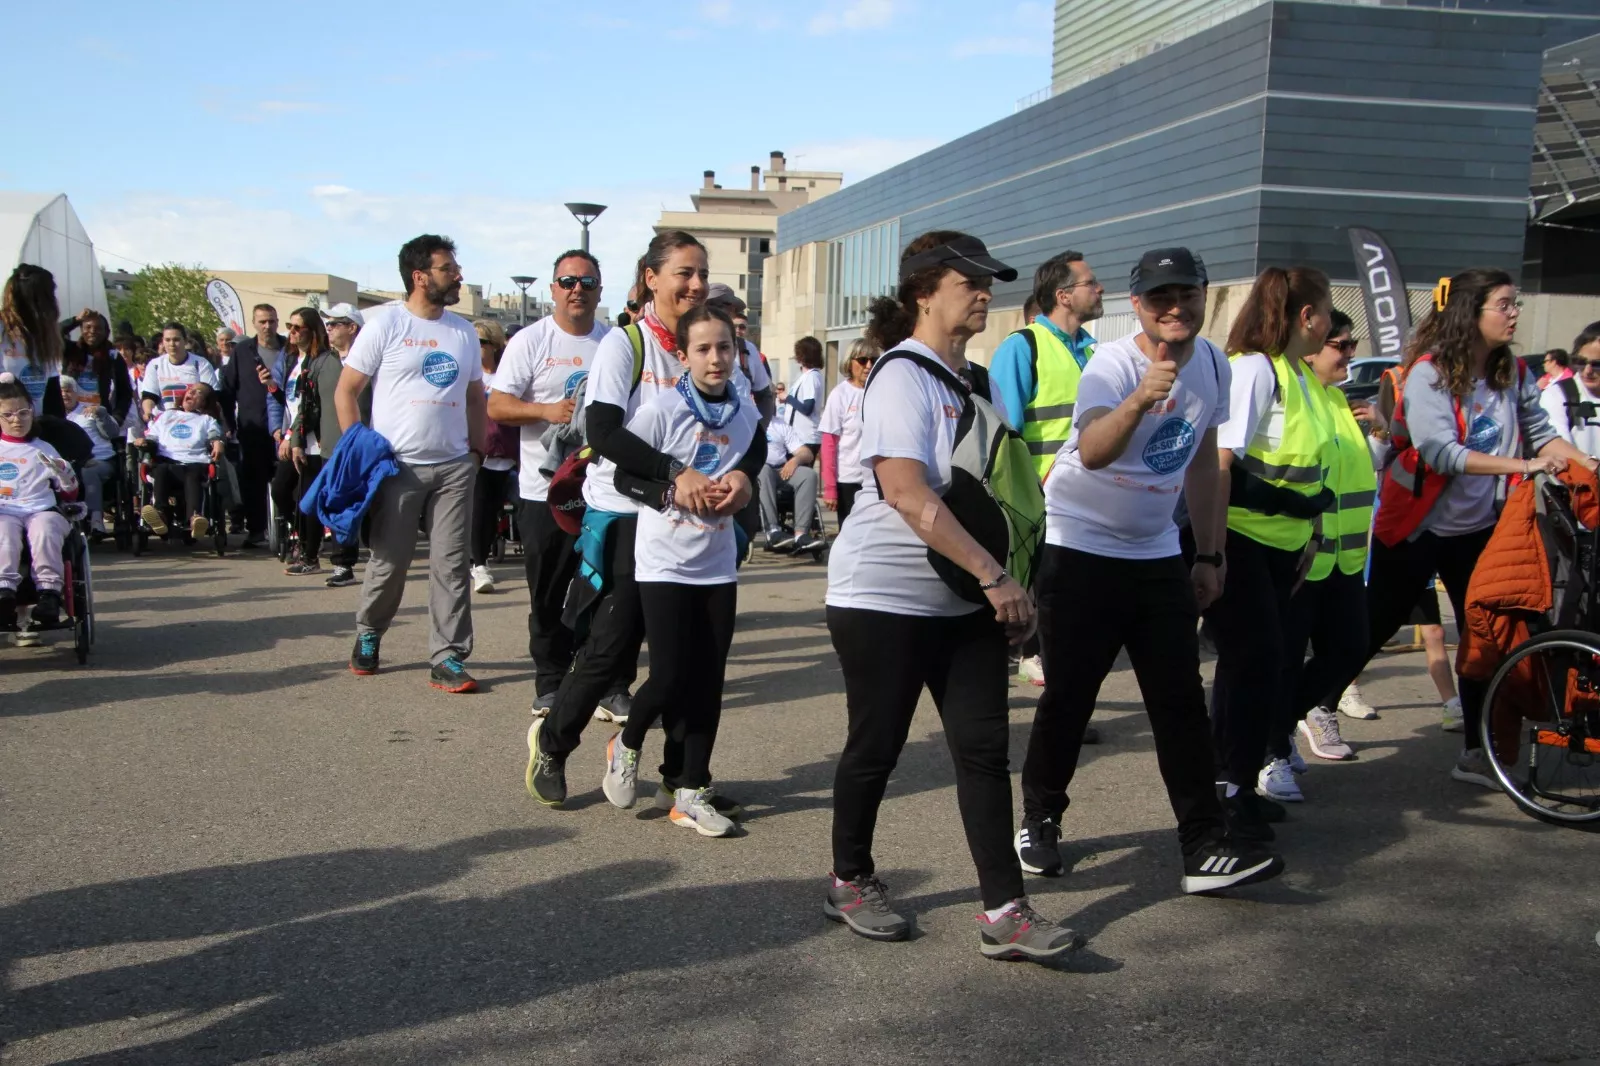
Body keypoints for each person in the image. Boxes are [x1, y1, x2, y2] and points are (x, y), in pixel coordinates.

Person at [820, 229, 1081, 961]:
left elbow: (998, 496)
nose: (983, 292)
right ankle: (849, 877)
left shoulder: (981, 381)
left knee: (982, 751)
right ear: (925, 292)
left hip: (961, 593)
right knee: (877, 746)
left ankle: (1006, 910)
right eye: (969, 281)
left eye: (987, 281)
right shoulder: (901, 375)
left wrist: (1013, 581)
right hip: (882, 595)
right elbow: (906, 494)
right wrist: (994, 578)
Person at [1016, 244, 1283, 892]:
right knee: (1071, 696)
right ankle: (1040, 818)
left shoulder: (1215, 364)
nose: (1174, 308)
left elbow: (1199, 461)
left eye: (1186, 294)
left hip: (1156, 550)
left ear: (1202, 297)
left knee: (1179, 702)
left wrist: (1209, 555)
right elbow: (1095, 449)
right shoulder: (1112, 365)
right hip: (1080, 546)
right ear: (1137, 306)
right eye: (1159, 299)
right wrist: (1138, 398)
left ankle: (1203, 846)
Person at [1330, 268, 1596, 788]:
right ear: (1470, 315)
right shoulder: (1429, 373)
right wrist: (1524, 468)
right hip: (1415, 527)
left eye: (1516, 303)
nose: (1514, 313)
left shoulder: (1513, 372)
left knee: (1485, 634)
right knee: (1374, 626)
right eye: (1504, 304)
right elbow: (1442, 453)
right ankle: (1314, 703)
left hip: (1480, 530)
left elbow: (1542, 436)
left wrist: (1585, 464)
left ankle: (1479, 752)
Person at [526, 231, 759, 808]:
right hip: (628, 510)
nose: (696, 284)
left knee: (694, 660)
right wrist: (672, 473)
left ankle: (684, 778)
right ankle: (553, 743)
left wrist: (744, 478)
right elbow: (601, 433)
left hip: (702, 522)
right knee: (613, 648)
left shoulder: (718, 342)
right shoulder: (625, 346)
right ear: (651, 278)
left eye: (702, 273)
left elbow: (753, 427)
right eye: (683, 273)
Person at [596, 305, 761, 836]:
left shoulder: (746, 413)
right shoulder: (661, 410)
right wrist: (672, 485)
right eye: (704, 349)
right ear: (683, 355)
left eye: (725, 348)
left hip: (716, 564)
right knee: (669, 676)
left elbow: (752, 460)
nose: (717, 359)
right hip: (664, 562)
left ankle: (691, 791)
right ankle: (627, 740)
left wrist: (744, 484)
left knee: (708, 680)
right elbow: (621, 477)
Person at [1210, 266, 1335, 839]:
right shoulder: (1255, 370)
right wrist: (1296, 510)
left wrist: (1312, 529)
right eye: (1327, 311)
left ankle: (1233, 786)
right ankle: (1228, 792)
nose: (1331, 323)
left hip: (1284, 547)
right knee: (1250, 667)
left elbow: (1307, 474)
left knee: (1259, 669)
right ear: (1305, 317)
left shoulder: (1298, 375)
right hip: (1241, 541)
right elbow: (1220, 470)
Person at [338, 234, 486, 693]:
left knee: (451, 566)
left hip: (456, 467)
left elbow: (475, 395)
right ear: (420, 276)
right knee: (390, 562)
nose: (458, 276)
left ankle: (447, 656)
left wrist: (476, 453)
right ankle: (369, 632)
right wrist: (358, 449)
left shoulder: (462, 331)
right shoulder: (386, 325)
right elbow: (346, 392)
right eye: (448, 269)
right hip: (397, 467)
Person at [489, 249, 608, 712]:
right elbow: (498, 406)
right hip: (545, 492)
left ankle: (604, 680)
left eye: (587, 282)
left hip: (601, 491)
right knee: (549, 590)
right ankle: (550, 680)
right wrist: (545, 411)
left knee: (605, 588)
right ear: (553, 289)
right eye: (567, 281)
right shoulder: (531, 341)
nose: (577, 289)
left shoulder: (614, 341)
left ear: (600, 289)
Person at [1259, 311, 1372, 796]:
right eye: (1339, 344)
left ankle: (1280, 727)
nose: (1348, 353)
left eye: (1352, 344)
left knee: (1349, 647)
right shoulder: (1296, 395)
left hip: (1343, 560)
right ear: (1310, 348)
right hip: (1302, 555)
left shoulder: (1337, 401)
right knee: (1281, 661)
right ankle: (1267, 754)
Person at [989, 250, 1103, 689]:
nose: (1100, 289)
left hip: (1089, 505)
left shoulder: (1097, 351)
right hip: (1037, 508)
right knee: (1038, 609)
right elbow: (1004, 436)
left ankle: (1063, 704)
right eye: (1090, 282)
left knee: (1073, 614)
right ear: (1063, 295)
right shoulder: (1023, 347)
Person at [0, 373, 77, 629]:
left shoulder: (44, 448)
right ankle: (4, 595)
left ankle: (49, 594)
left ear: (32, 413)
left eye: (23, 413)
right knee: (4, 532)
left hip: (39, 507)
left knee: (45, 529)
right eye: (8, 415)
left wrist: (65, 474)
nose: (17, 420)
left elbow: (68, 493)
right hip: (5, 509)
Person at [276, 307, 337, 575]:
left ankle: (310, 556)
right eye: (289, 326)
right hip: (294, 438)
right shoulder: (292, 362)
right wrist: (285, 434)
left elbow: (311, 407)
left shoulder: (322, 361)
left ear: (312, 331)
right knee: (280, 489)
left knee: (307, 499)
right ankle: (299, 536)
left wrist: (296, 437)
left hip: (313, 442)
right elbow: (291, 404)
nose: (291, 332)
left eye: (297, 327)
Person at [221, 304, 287, 548]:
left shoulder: (286, 348)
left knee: (285, 477)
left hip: (282, 424)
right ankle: (256, 529)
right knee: (253, 479)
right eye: (262, 322)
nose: (267, 326)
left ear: (277, 321)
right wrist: (228, 423)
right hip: (251, 426)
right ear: (254, 323)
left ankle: (288, 527)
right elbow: (228, 389)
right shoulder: (243, 351)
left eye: (271, 321)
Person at [317, 303, 368, 587]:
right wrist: (296, 438)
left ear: (352, 327)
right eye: (328, 324)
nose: (329, 329)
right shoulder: (322, 363)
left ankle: (380, 553)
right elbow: (308, 405)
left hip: (367, 446)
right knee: (339, 506)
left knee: (374, 505)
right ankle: (343, 564)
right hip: (332, 447)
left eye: (335, 323)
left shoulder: (374, 363)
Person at [137, 382, 224, 540]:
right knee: (161, 469)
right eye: (191, 390)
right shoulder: (167, 415)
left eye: (198, 393)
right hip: (167, 461)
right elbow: (152, 437)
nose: (191, 392)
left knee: (193, 475)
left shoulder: (206, 419)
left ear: (204, 402)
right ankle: (160, 515)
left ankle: (195, 518)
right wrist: (144, 442)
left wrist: (217, 442)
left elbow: (214, 434)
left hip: (195, 462)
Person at [470, 319, 517, 594]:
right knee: (481, 512)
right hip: (481, 456)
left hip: (510, 456)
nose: (475, 348)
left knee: (517, 512)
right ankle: (479, 564)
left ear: (494, 345)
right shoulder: (471, 376)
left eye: (480, 343)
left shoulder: (507, 376)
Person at [820, 337, 874, 523]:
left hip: (874, 480)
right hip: (848, 479)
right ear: (850, 363)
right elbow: (828, 444)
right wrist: (830, 488)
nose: (868, 365)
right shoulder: (840, 395)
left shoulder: (879, 392)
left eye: (873, 360)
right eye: (862, 360)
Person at [1, 265, 67, 418]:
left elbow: (51, 388)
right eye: (49, 294)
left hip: (35, 428)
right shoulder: (2, 328)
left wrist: (58, 428)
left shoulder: (45, 333)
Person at [62, 376, 119, 537]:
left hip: (101, 460)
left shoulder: (91, 410)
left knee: (89, 470)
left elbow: (113, 433)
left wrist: (102, 414)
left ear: (76, 393)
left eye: (68, 391)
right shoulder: (54, 417)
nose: (64, 395)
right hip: (70, 463)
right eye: (60, 392)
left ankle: (96, 520)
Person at [1539, 321, 1600, 456]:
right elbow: (1557, 448)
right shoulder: (1558, 394)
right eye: (1581, 362)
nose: (1587, 371)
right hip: (1579, 476)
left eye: (1597, 364)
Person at [756, 416, 818, 550]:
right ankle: (773, 531)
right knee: (764, 470)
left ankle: (800, 535)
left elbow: (806, 453)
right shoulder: (745, 420)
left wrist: (795, 460)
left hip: (781, 469)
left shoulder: (779, 424)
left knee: (809, 474)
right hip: (757, 471)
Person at [140, 322, 221, 421]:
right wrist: (148, 412)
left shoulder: (201, 363)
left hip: (194, 421)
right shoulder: (155, 365)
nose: (172, 344)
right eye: (167, 340)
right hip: (164, 422)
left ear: (185, 341)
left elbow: (211, 396)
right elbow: (149, 395)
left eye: (176, 339)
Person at [783, 336, 825, 449]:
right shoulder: (808, 376)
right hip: (800, 437)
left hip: (805, 438)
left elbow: (807, 408)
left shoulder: (811, 377)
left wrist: (788, 398)